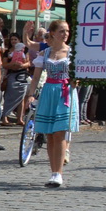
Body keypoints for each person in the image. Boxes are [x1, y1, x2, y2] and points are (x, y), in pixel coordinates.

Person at [32, 19, 79, 188]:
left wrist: (76, 80)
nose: (65, 34)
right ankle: (53, 172)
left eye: (66, 31)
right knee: (50, 135)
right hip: (48, 92)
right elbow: (37, 77)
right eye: (61, 31)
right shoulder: (45, 54)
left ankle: (58, 173)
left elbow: (78, 74)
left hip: (65, 93)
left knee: (60, 133)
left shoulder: (73, 53)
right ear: (52, 33)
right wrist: (31, 95)